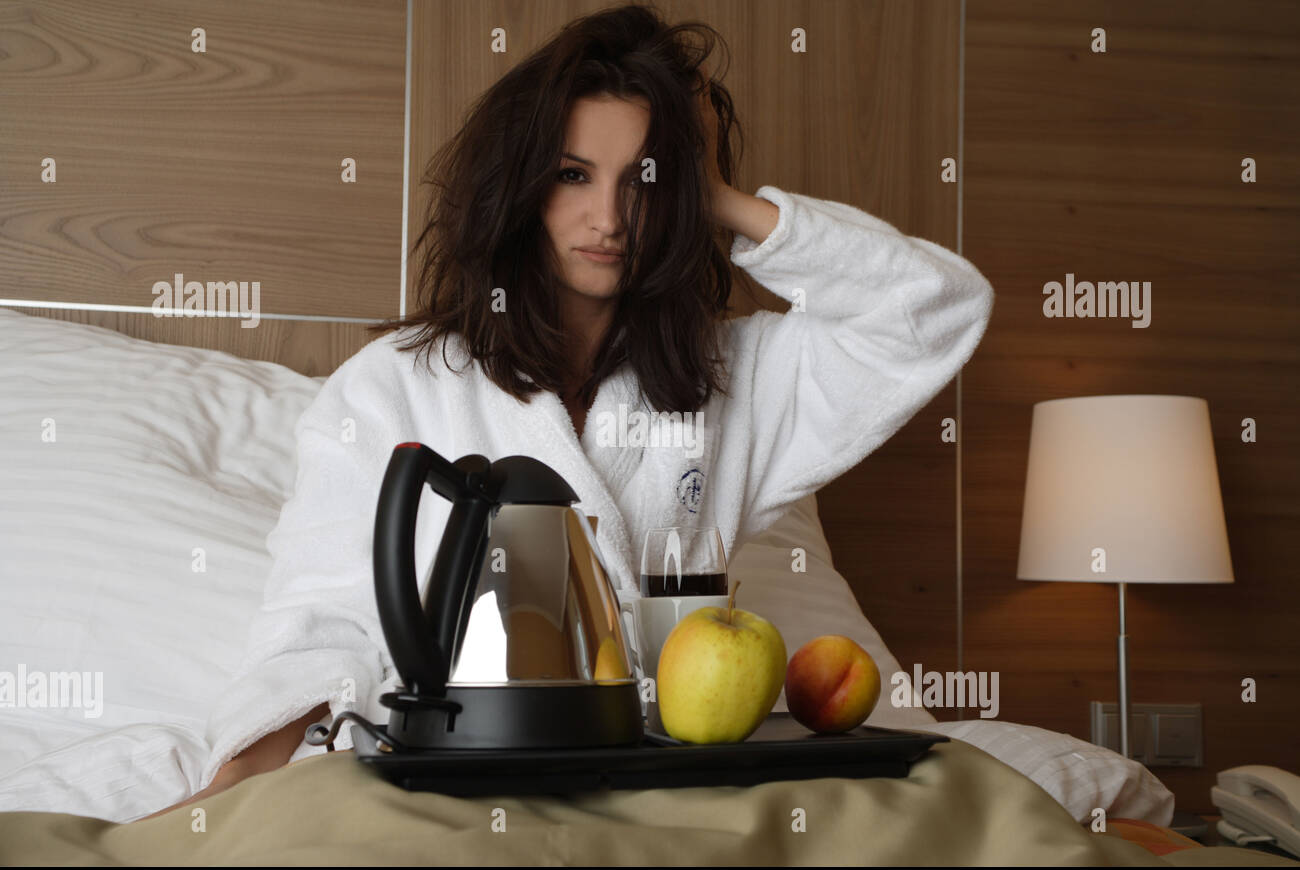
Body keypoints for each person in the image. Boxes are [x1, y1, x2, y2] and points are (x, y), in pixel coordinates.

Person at [145, 3, 993, 819]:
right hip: (467, 780)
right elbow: (323, 619)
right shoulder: (392, 389)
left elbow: (937, 310)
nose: (611, 218)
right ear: (520, 186)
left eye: (647, 181)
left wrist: (721, 199)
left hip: (673, 782)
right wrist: (233, 786)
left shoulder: (734, 376)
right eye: (574, 176)